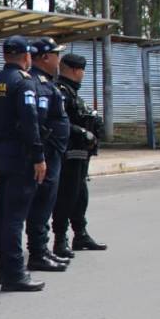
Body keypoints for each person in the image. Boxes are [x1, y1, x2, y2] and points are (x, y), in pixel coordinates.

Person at [0, 36, 46, 292]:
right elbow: (30, 121)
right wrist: (39, 156)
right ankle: (14, 274)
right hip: (20, 155)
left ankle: (2, 269)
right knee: (14, 216)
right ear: (26, 56)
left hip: (0, 153)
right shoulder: (23, 83)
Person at [53, 53, 108, 256]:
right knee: (66, 196)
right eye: (82, 70)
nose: (83, 74)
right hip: (68, 152)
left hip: (81, 153)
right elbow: (59, 122)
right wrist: (83, 132)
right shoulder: (60, 91)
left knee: (79, 194)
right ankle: (60, 239)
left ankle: (80, 234)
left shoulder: (72, 92)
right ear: (76, 70)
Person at [23, 38, 70, 273]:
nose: (59, 59)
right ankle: (38, 252)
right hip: (47, 155)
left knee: (47, 201)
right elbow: (36, 122)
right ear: (44, 58)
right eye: (56, 54)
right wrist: (40, 154)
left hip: (52, 154)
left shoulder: (46, 83)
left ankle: (43, 249)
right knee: (41, 203)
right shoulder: (38, 84)